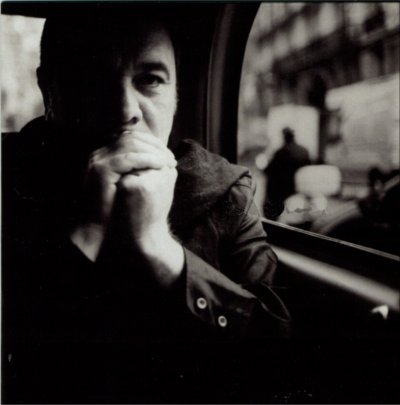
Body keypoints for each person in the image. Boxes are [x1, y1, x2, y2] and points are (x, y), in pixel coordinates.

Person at [2, 7, 290, 403]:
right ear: (50, 90)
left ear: (175, 94)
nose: (125, 111)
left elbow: (279, 361)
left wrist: (161, 250)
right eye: (94, 78)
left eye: (151, 80)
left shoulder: (225, 189)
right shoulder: (9, 176)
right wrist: (88, 231)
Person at [264, 127, 311, 219]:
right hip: (299, 189)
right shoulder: (304, 151)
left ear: (284, 137)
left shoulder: (281, 152)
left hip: (282, 191)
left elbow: (269, 170)